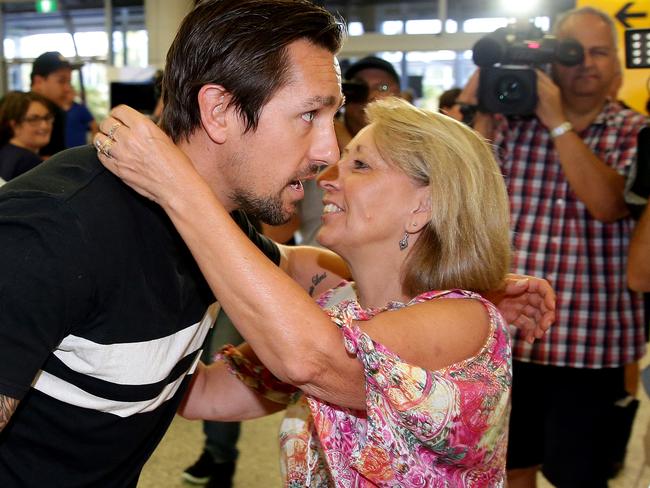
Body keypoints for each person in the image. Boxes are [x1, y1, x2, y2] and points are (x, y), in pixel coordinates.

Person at [0, 1, 552, 487]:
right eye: (309, 115)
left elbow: (306, 331)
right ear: (218, 110)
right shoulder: (57, 227)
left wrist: (470, 282)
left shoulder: (216, 233)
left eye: (339, 132)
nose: (326, 157)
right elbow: (278, 294)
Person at [97, 95, 528, 486]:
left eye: (360, 165)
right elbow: (205, 395)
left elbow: (313, 358)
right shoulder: (337, 304)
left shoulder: (464, 318)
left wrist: (177, 186)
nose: (328, 177)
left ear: (424, 206)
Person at [451, 7, 647, 487]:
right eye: (573, 52)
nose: (586, 63)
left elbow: (609, 203)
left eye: (599, 52)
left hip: (593, 343)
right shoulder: (512, 123)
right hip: (509, 339)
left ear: (619, 69)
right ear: (551, 62)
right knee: (508, 468)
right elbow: (464, 186)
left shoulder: (633, 130)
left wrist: (558, 123)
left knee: (580, 476)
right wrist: (478, 104)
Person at [0, 91, 53, 181]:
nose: (45, 126)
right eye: (34, 119)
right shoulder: (28, 162)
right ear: (15, 125)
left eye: (47, 118)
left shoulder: (6, 153)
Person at [30, 51, 74, 158]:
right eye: (61, 81)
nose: (67, 89)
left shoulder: (58, 113)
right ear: (39, 82)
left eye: (69, 82)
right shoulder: (16, 110)